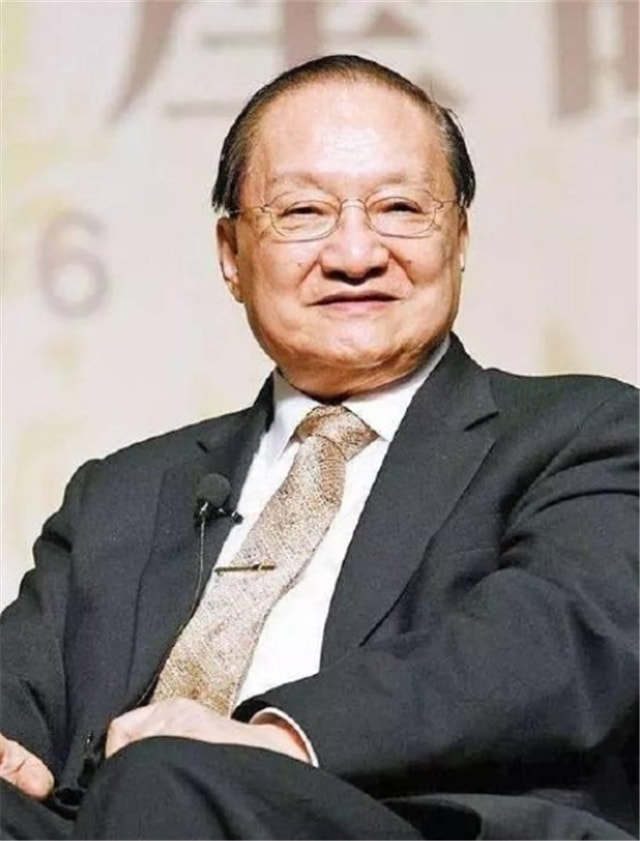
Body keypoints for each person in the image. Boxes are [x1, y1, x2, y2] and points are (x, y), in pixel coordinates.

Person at [1, 53, 637, 840]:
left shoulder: (585, 432)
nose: (355, 255)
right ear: (232, 254)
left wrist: (281, 737)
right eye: (303, 212)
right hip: (116, 819)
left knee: (167, 774)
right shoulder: (122, 492)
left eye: (400, 208)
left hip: (394, 822)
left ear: (460, 236)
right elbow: (20, 687)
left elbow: (562, 645)